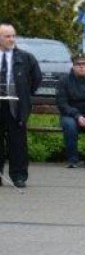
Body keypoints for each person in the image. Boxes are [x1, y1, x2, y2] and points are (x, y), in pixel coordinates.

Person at [0, 23, 42, 188]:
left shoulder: (26, 58)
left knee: (17, 143)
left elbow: (36, 79)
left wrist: (24, 95)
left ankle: (19, 176)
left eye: (13, 36)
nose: (11, 39)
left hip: (15, 105)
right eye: (7, 36)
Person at [56, 52, 85, 168]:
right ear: (73, 66)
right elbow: (62, 103)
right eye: (78, 64)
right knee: (69, 125)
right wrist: (78, 116)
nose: (81, 66)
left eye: (84, 64)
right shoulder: (64, 81)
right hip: (70, 115)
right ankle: (72, 159)